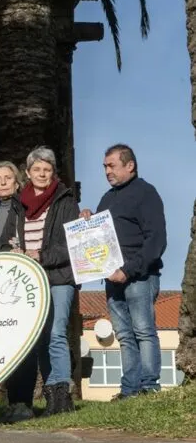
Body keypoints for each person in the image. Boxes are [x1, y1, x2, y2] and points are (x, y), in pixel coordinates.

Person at [80, 144, 167, 400]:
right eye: (105, 166)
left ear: (130, 165)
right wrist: (89, 217)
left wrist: (127, 271)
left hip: (138, 276)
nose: (107, 171)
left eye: (112, 165)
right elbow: (99, 235)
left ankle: (148, 387)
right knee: (125, 336)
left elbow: (157, 240)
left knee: (143, 331)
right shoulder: (108, 197)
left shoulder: (146, 193)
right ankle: (130, 389)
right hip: (111, 277)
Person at [2, 147, 79, 416]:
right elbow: (8, 239)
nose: (42, 174)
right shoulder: (18, 203)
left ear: (53, 172)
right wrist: (13, 251)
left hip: (59, 277)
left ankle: (63, 394)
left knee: (57, 333)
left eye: (46, 169)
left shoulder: (65, 200)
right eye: (37, 169)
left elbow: (72, 243)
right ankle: (51, 398)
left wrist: (41, 255)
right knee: (42, 338)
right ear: (28, 172)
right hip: (31, 281)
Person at [0, 161, 35, 423]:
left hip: (18, 281)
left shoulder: (24, 209)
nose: (3, 182)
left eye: (8, 178)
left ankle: (23, 401)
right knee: (3, 345)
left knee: (22, 345)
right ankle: (9, 402)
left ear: (17, 182)